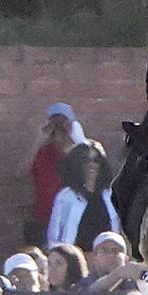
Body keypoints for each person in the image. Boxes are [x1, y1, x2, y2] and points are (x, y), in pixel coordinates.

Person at [27, 104, 84, 247]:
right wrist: (39, 140)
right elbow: (19, 173)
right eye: (54, 124)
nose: (58, 130)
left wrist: (74, 139)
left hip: (73, 219)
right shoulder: (43, 153)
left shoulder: (80, 153)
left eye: (62, 124)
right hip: (44, 220)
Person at [46, 143, 121, 249]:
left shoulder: (110, 196)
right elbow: (54, 235)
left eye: (96, 160)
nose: (92, 165)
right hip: (76, 258)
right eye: (86, 160)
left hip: (107, 258)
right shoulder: (66, 196)